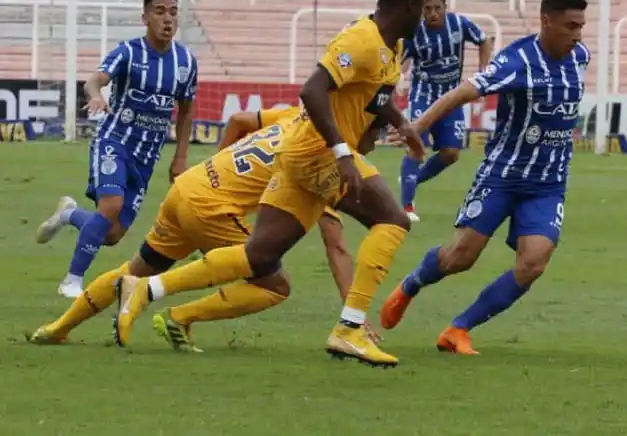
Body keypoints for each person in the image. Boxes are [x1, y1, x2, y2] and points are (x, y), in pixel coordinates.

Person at [111, 0, 427, 368]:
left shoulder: (392, 45)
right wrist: (343, 153)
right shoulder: (360, 39)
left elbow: (376, 97)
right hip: (318, 153)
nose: (424, 18)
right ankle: (350, 328)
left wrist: (402, 124)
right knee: (393, 220)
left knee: (258, 255)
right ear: (410, 4)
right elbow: (312, 90)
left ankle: (146, 289)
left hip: (301, 156)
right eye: (423, 9)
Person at [26, 107, 383, 350]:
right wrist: (353, 317)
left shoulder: (300, 115)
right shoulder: (327, 162)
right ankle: (177, 315)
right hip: (213, 207)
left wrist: (219, 164)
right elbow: (336, 246)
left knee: (135, 267)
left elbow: (240, 119)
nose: (375, 142)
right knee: (275, 284)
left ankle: (57, 328)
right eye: (377, 133)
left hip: (190, 184)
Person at [380, 0, 591, 355]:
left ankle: (459, 328)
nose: (578, 35)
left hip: (548, 184)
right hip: (502, 177)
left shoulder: (580, 57)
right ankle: (411, 285)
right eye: (571, 26)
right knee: (459, 258)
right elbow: (464, 92)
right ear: (547, 21)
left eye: (581, 26)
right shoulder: (517, 61)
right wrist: (418, 125)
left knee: (532, 264)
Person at [35, 0, 198, 299]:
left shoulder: (186, 62)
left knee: (111, 233)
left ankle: (69, 214)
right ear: (145, 17)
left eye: (173, 12)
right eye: (160, 11)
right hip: (115, 141)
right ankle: (71, 281)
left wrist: (180, 157)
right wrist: (96, 95)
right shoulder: (128, 52)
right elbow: (94, 80)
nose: (167, 18)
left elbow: (186, 111)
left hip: (146, 156)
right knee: (110, 206)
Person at [399, 0, 492, 222]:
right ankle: (406, 206)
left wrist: (483, 71)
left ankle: (411, 179)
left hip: (451, 98)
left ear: (445, 7)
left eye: (437, 8)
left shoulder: (459, 24)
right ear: (421, 10)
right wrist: (398, 77)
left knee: (451, 153)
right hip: (423, 96)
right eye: (427, 9)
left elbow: (483, 41)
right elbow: (402, 59)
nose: (433, 13)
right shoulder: (414, 31)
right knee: (416, 145)